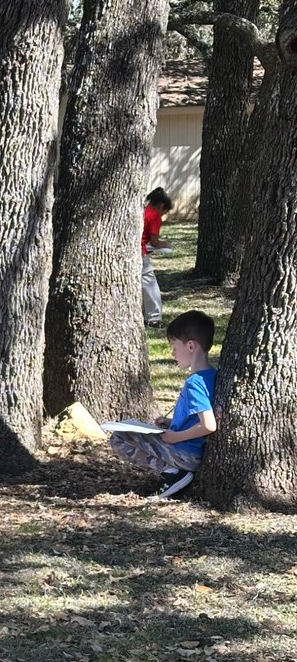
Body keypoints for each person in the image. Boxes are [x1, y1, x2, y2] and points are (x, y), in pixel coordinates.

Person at [109, 309, 217, 500]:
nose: (173, 353)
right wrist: (172, 422)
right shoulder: (213, 375)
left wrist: (174, 437)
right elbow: (197, 418)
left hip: (186, 454)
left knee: (119, 438)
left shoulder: (195, 383)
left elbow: (208, 425)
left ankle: (173, 474)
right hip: (192, 451)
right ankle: (175, 472)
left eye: (174, 347)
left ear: (191, 346)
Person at [142, 187, 172, 328]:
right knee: (150, 284)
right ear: (160, 206)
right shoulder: (154, 216)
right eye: (164, 212)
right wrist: (165, 244)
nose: (162, 215)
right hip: (141, 252)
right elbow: (154, 242)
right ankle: (154, 318)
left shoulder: (144, 210)